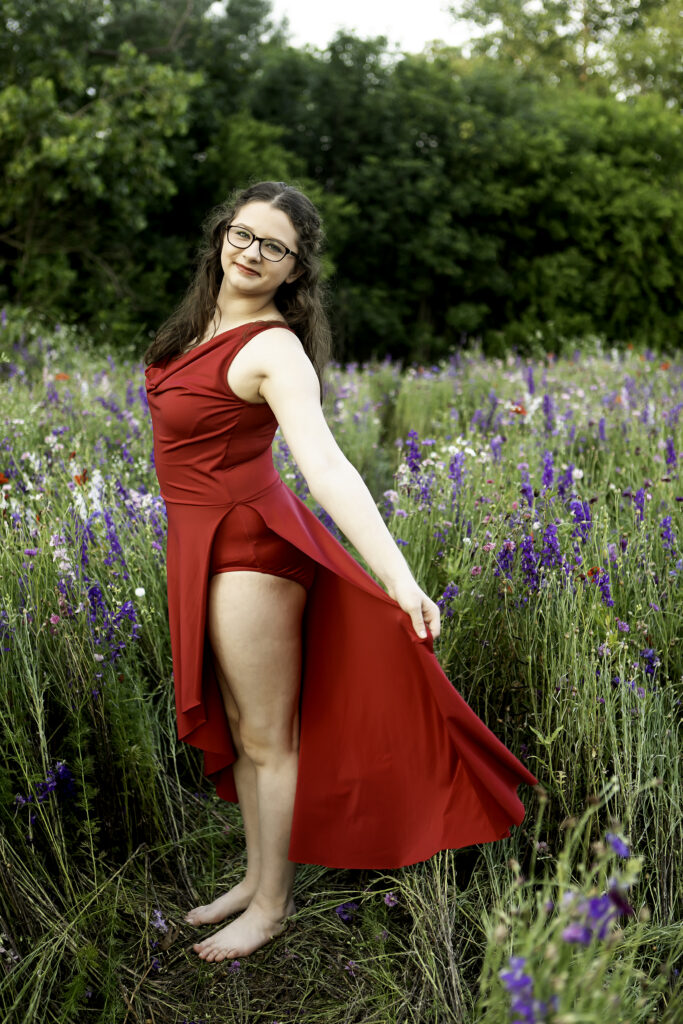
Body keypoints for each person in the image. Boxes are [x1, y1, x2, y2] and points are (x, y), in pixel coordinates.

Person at [144, 181, 537, 964]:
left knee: (266, 738)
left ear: (295, 269)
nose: (251, 253)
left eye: (273, 248)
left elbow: (323, 464)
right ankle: (255, 879)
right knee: (244, 728)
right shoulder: (200, 325)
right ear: (222, 236)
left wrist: (398, 577)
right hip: (201, 540)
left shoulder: (273, 348)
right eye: (242, 235)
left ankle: (272, 906)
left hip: (247, 547)